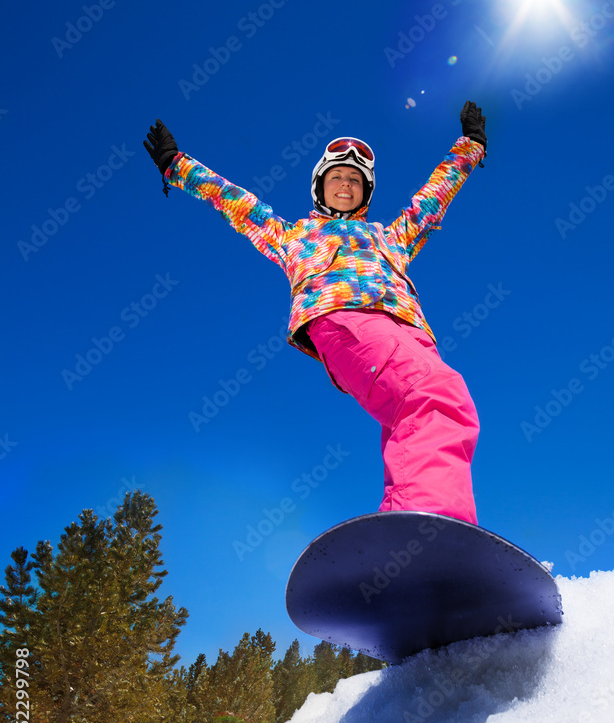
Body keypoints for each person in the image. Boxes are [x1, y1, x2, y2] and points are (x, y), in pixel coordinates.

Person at [144, 102, 487, 523]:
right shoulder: (295, 236)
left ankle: (407, 532)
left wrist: (469, 146)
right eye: (337, 177)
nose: (346, 185)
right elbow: (237, 203)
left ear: (366, 192)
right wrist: (177, 166)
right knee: (436, 394)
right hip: (346, 317)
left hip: (412, 332)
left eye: (355, 181)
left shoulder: (391, 237)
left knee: (416, 420)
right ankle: (432, 528)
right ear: (319, 186)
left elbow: (432, 200)